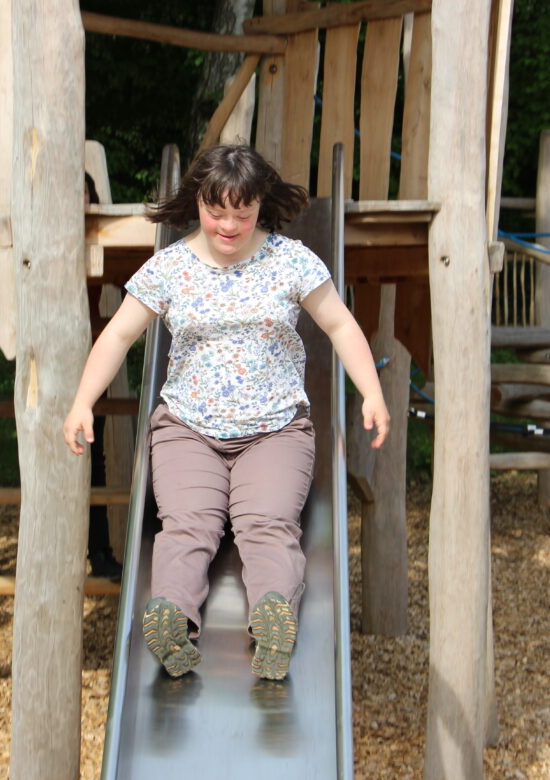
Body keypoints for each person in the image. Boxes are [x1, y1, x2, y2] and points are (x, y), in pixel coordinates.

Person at [64, 145, 389, 680]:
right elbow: (119, 333)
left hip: (275, 431)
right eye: (218, 212)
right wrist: (82, 402)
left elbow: (340, 325)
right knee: (187, 526)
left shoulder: (290, 260)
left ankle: (273, 621)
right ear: (198, 201)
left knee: (266, 524)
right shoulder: (169, 268)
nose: (230, 225)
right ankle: (170, 616)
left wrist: (372, 394)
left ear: (262, 204)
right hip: (188, 430)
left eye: (244, 212)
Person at [84, 172, 122, 581]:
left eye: (86, 193)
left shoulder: (100, 241)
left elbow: (133, 280)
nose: (80, 201)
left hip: (90, 360)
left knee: (95, 462)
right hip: (54, 363)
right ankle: (85, 551)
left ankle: (100, 552)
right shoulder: (43, 241)